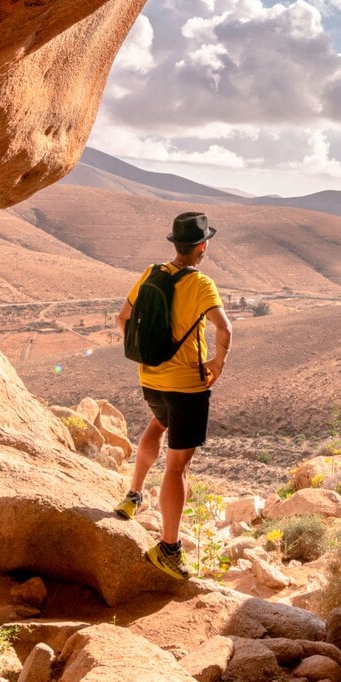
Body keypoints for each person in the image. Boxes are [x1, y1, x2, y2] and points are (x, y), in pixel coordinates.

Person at [114, 210, 232, 580]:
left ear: (175, 244)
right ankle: (168, 549)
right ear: (202, 246)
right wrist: (218, 362)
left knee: (156, 424)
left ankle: (133, 496)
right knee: (178, 466)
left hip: (151, 378)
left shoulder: (151, 273)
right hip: (187, 386)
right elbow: (224, 328)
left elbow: (122, 318)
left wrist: (152, 350)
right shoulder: (201, 284)